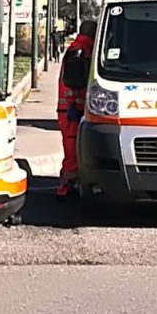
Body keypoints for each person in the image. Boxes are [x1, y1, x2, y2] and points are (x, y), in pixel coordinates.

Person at [55, 19, 96, 198]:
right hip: (72, 110)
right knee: (72, 152)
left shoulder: (78, 48)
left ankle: (71, 184)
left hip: (72, 109)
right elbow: (76, 81)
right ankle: (66, 187)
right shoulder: (80, 51)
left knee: (74, 151)